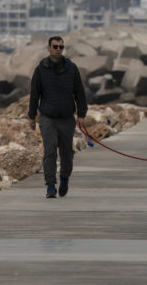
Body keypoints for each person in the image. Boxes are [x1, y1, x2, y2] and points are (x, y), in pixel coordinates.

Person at [28, 36, 88, 198]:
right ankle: (50, 186)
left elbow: (79, 93)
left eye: (61, 47)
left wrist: (81, 114)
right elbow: (35, 94)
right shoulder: (40, 70)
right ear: (48, 48)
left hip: (67, 118)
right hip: (47, 118)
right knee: (50, 151)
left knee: (67, 152)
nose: (58, 49)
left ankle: (65, 178)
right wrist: (32, 116)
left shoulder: (72, 68)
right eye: (55, 46)